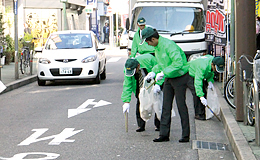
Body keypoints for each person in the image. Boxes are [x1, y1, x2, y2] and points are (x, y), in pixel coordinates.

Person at [141, 27, 194, 143]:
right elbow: (161, 64)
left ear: (153, 39)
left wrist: (164, 72)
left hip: (180, 77)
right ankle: (164, 134)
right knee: (165, 107)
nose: (148, 44)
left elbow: (178, 63)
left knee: (181, 106)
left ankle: (185, 135)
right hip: (169, 77)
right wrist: (154, 72)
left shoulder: (169, 45)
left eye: (148, 42)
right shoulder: (157, 47)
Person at [121, 54, 163, 132]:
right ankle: (141, 125)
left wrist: (158, 84)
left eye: (134, 71)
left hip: (153, 80)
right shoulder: (127, 69)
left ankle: (159, 124)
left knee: (157, 103)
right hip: (139, 85)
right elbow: (127, 84)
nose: (133, 73)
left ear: (138, 66)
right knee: (140, 103)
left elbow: (160, 70)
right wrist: (126, 101)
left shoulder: (149, 60)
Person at [188, 55, 225, 120]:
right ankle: (198, 114)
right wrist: (201, 96)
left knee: (204, 92)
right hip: (191, 73)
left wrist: (210, 81)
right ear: (212, 64)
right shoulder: (203, 66)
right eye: (215, 68)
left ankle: (203, 112)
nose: (215, 70)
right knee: (196, 93)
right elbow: (198, 82)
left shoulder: (212, 61)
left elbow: (211, 72)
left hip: (200, 74)